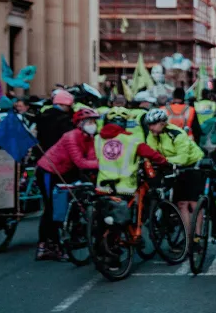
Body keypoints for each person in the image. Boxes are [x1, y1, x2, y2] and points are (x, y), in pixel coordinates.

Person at [34, 108, 101, 261]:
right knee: (51, 208)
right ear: (80, 124)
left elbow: (92, 157)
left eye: (94, 122)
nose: (93, 125)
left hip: (63, 172)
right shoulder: (71, 137)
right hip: (48, 171)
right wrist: (102, 164)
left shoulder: (89, 138)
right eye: (90, 122)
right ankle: (46, 245)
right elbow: (80, 162)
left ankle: (71, 236)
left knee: (71, 203)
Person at [144, 108, 204, 238]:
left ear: (162, 123)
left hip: (192, 165)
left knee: (193, 203)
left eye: (153, 124)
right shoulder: (152, 135)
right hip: (170, 165)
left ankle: (198, 236)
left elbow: (183, 158)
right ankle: (188, 238)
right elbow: (151, 153)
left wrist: (162, 161)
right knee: (181, 203)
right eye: (149, 125)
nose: (151, 128)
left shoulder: (177, 134)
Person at [95, 108, 166, 196]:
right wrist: (164, 162)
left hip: (103, 186)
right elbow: (152, 155)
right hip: (124, 188)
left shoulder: (97, 139)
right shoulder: (132, 140)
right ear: (125, 123)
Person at [35, 89, 75, 154]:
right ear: (62, 104)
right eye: (68, 106)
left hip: (45, 153)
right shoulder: (64, 118)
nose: (70, 108)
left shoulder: (45, 114)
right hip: (58, 153)